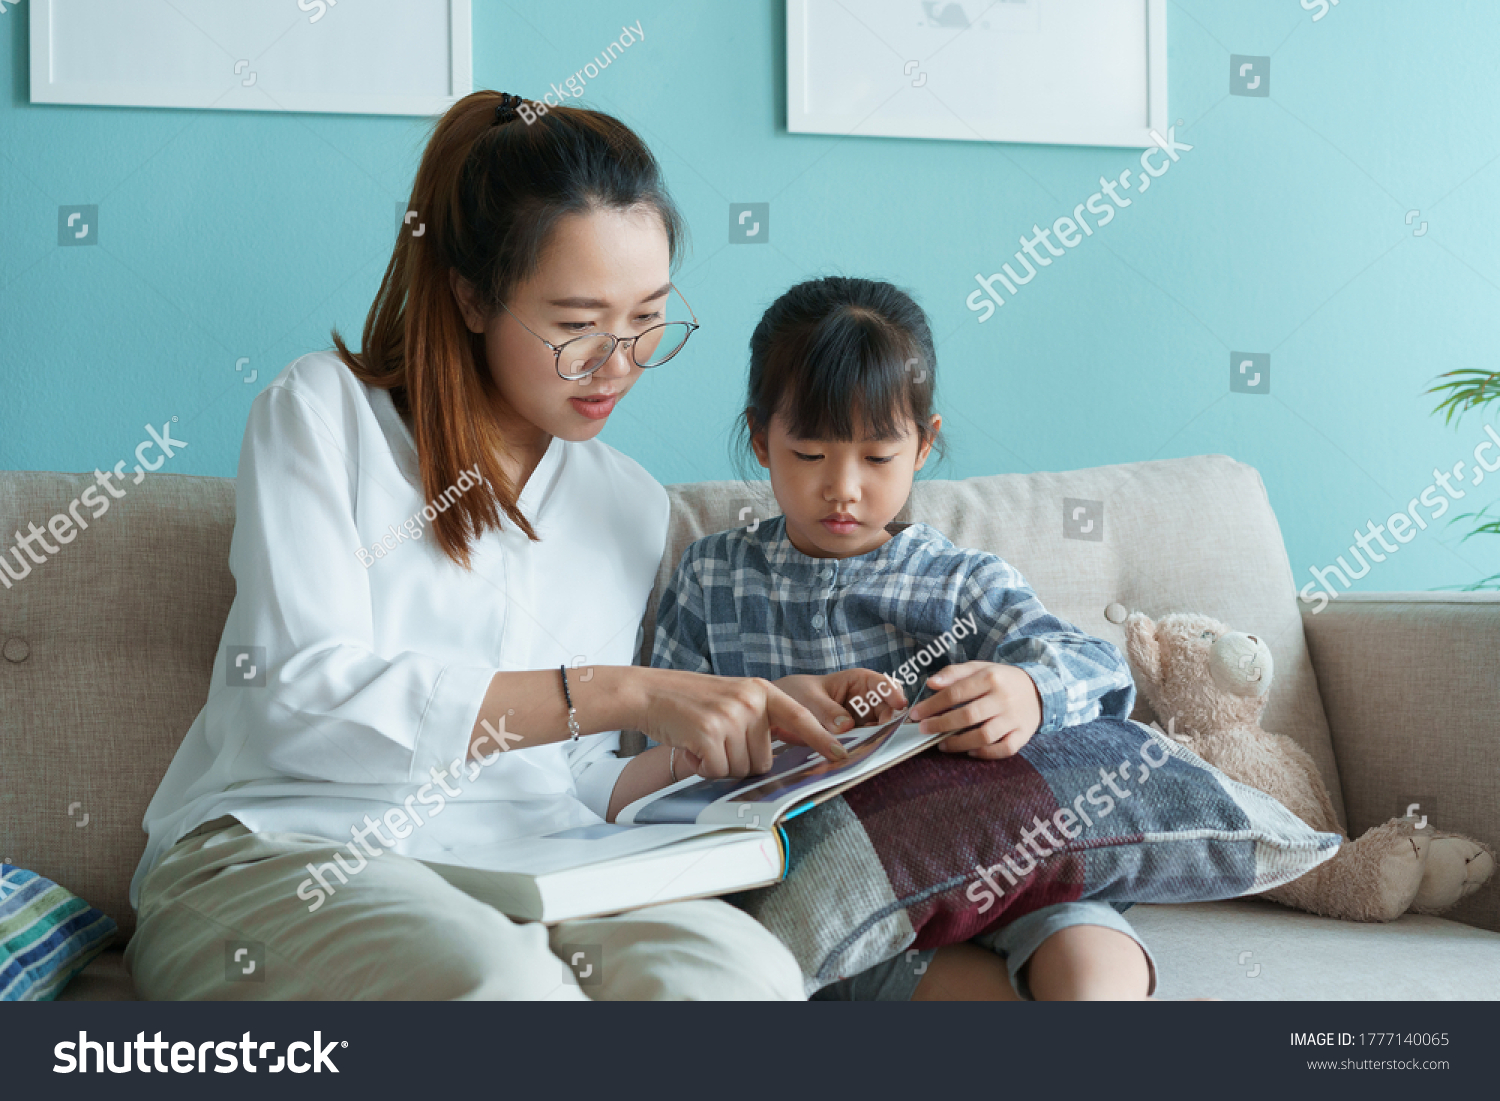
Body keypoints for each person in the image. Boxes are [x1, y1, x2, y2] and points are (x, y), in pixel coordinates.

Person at [123, 92, 884, 1001]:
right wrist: (619, 690)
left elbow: (572, 775)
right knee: (502, 985)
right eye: (576, 326)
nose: (619, 363)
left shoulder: (627, 501)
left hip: (534, 866)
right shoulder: (322, 414)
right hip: (290, 847)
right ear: (473, 295)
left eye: (648, 316)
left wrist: (728, 725)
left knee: (745, 974)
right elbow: (293, 701)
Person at [648, 275, 1159, 1000]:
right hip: (833, 893)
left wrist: (1028, 691)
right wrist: (763, 715)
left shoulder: (957, 581)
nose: (844, 487)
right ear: (761, 439)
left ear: (924, 445)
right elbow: (642, 762)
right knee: (823, 961)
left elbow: (1098, 668)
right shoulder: (712, 578)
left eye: (877, 457)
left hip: (989, 865)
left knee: (1084, 945)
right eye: (811, 453)